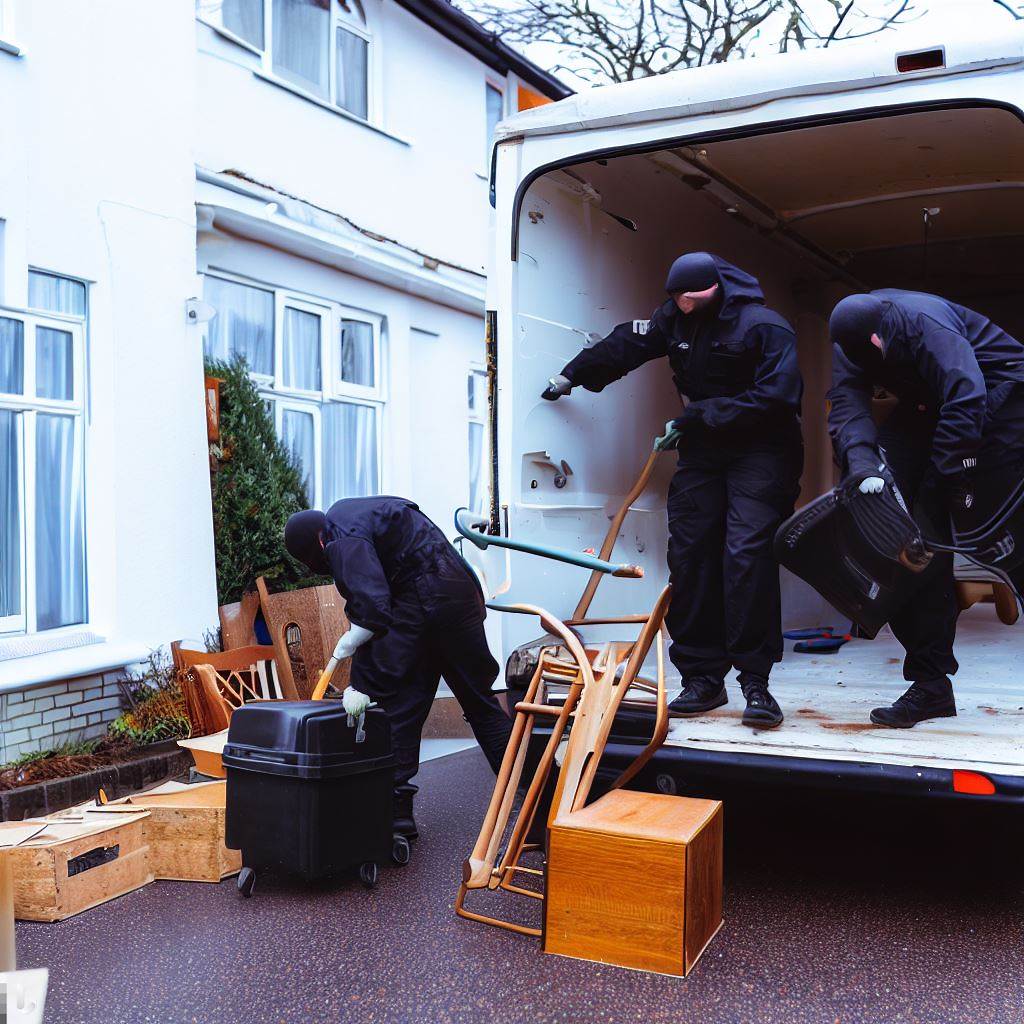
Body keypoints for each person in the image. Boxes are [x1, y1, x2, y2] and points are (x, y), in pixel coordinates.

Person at [542, 252, 803, 728]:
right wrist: (572, 376)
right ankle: (703, 678)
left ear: (715, 288)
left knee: (745, 553)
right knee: (689, 553)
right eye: (675, 298)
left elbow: (778, 398)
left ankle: (755, 682)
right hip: (704, 449)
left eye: (690, 297)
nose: (681, 305)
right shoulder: (676, 317)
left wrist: (697, 416)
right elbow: (628, 343)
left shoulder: (765, 326)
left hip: (764, 449)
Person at [828, 289, 1024, 728]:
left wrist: (942, 480)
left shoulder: (924, 322)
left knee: (1005, 534)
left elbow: (967, 392)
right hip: (930, 406)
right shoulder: (849, 340)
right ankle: (931, 684)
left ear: (885, 334)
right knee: (900, 534)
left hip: (1003, 392)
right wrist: (861, 463)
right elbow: (847, 405)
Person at [284, 497, 513, 838]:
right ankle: (537, 805)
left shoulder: (336, 531)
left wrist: (353, 639)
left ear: (317, 543)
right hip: (457, 595)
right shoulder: (363, 515)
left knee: (390, 702)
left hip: (424, 599)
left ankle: (392, 815)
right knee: (480, 704)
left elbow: (373, 606)